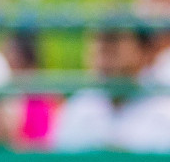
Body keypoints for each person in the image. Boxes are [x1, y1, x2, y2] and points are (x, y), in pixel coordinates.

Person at [52, 23, 170, 153]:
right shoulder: (79, 107)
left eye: (113, 44)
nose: (103, 54)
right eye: (98, 44)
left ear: (145, 52)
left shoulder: (163, 112)